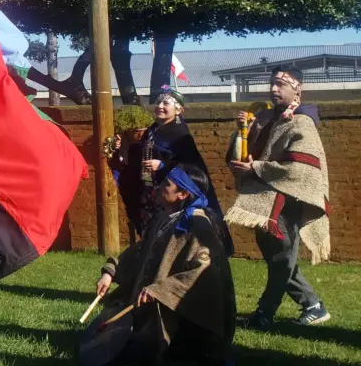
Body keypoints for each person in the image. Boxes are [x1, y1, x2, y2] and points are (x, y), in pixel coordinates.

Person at [83, 165, 235, 366]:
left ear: (182, 194)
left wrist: (162, 290)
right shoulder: (164, 217)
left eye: (166, 184)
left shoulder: (198, 225)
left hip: (178, 319)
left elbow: (206, 272)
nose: (158, 186)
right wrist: (110, 272)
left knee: (130, 357)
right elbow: (141, 249)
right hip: (146, 312)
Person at [227, 67, 331, 329]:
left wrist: (257, 168)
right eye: (271, 84)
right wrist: (244, 131)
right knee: (280, 259)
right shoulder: (264, 119)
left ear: (297, 88)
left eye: (279, 85)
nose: (273, 89)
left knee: (281, 260)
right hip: (262, 200)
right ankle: (313, 305)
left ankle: (265, 314)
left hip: (287, 203)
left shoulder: (302, 121)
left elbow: (301, 169)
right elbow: (244, 153)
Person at [111, 86, 227, 243]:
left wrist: (162, 165)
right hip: (149, 190)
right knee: (149, 233)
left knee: (166, 235)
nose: (160, 106)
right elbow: (141, 153)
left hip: (171, 195)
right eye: (158, 102)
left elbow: (189, 166)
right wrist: (123, 149)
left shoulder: (181, 135)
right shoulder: (152, 130)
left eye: (166, 103)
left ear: (178, 110)